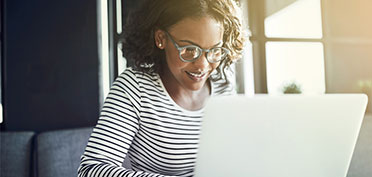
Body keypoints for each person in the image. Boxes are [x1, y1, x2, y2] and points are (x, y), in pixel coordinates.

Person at [78, 0, 246, 176]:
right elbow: (91, 170)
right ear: (161, 39)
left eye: (215, 51)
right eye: (189, 49)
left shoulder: (223, 85)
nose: (202, 65)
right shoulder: (135, 88)